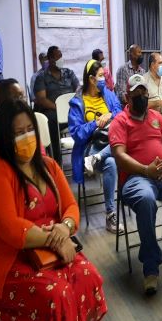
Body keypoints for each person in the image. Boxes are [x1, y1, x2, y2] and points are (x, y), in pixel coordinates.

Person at [0, 99, 106, 321]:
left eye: (29, 130)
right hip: (14, 260)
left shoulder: (48, 165)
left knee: (89, 277)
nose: (26, 137)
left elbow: (71, 207)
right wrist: (57, 240)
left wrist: (65, 228)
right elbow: (11, 229)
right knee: (57, 295)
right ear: (5, 137)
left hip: (52, 249)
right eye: (18, 133)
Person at [110, 74, 162, 294]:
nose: (142, 97)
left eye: (144, 93)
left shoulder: (157, 116)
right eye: (137, 94)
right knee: (147, 199)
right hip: (135, 178)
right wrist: (145, 170)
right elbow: (119, 156)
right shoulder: (120, 121)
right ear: (127, 97)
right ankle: (151, 267)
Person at [68, 60, 123, 235]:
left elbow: (120, 114)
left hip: (111, 141)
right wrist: (95, 124)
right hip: (90, 147)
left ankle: (99, 158)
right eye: (100, 76)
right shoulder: (77, 102)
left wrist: (109, 116)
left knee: (114, 153)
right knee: (112, 162)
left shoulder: (107, 94)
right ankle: (110, 214)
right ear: (91, 79)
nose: (103, 80)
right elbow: (76, 134)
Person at [34, 46, 80, 165]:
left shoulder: (69, 73)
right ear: (49, 59)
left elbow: (79, 90)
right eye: (56, 57)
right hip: (53, 111)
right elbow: (41, 99)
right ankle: (56, 162)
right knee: (51, 122)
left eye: (61, 56)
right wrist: (60, 108)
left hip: (71, 110)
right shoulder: (41, 77)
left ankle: (86, 159)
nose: (60, 59)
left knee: (87, 115)